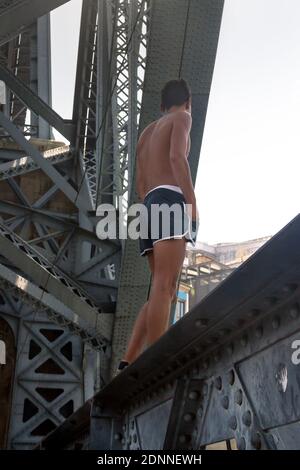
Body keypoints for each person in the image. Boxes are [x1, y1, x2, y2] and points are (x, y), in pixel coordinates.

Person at [117, 79, 198, 373]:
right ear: (188, 101)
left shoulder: (146, 135)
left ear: (162, 105)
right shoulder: (183, 118)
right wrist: (191, 204)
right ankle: (157, 361)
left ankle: (129, 358)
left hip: (148, 205)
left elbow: (139, 185)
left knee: (158, 289)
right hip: (170, 198)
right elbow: (177, 158)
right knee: (167, 286)